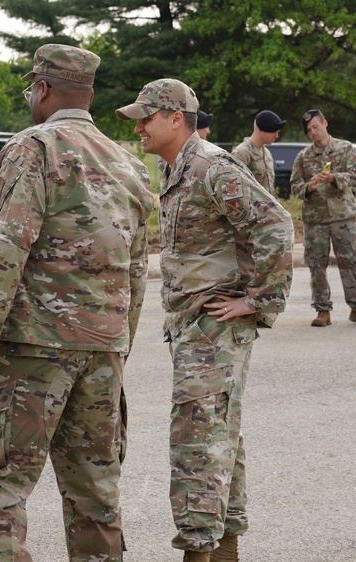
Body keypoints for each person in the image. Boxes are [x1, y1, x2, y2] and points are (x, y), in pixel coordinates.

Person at [0, 44, 154, 562]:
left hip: (33, 347)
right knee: (95, 493)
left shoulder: (33, 148)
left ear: (42, 89)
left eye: (30, 89)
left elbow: (7, 247)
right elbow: (136, 271)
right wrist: (118, 345)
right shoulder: (131, 165)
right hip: (103, 351)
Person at [116, 78, 293, 562]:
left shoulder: (211, 166)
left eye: (146, 118)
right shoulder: (179, 168)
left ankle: (198, 550)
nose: (139, 128)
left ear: (176, 119)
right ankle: (226, 544)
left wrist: (259, 300)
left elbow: (275, 223)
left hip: (214, 326)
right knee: (219, 431)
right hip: (193, 325)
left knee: (196, 436)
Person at [290, 109, 356, 327]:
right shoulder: (303, 157)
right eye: (309, 130)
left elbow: (355, 176)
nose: (313, 132)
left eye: (316, 126)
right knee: (316, 265)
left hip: (342, 216)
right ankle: (322, 310)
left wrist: (334, 178)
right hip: (315, 219)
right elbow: (295, 187)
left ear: (325, 123)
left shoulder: (345, 149)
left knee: (351, 261)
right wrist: (308, 187)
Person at [232, 110, 285, 194]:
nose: (276, 136)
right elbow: (233, 188)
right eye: (273, 132)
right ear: (261, 130)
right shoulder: (242, 153)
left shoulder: (266, 153)